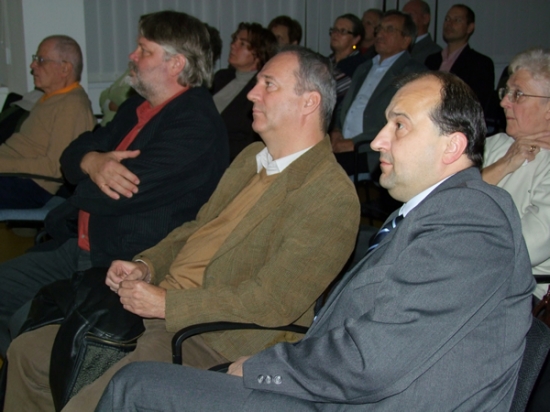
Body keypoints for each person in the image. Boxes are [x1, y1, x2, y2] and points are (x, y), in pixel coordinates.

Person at [97, 70, 535, 412]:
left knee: (136, 387)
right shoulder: (433, 214)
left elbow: (373, 361)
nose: (378, 140)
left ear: (451, 147)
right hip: (334, 395)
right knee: (147, 381)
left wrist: (265, 367)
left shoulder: (471, 218)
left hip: (354, 403)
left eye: (399, 126)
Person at [6, 46, 360, 412]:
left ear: (309, 102)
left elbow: (273, 302)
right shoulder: (250, 158)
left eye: (268, 85)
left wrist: (167, 304)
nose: (252, 94)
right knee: (28, 354)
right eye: (256, 83)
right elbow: (194, 229)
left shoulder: (329, 195)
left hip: (212, 335)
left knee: (94, 401)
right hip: (160, 303)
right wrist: (146, 266)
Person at [0, 10, 229, 358]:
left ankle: (40, 378)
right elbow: (72, 153)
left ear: (176, 64)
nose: (132, 56)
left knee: (26, 326)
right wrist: (92, 162)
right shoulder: (136, 106)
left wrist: (87, 169)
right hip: (81, 244)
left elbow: (115, 195)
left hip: (122, 260)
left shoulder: (195, 124)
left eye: (144, 50)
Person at [482, 48, 550, 299]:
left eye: (518, 94)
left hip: (521, 292)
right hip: (475, 272)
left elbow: (528, 247)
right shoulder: (494, 145)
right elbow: (443, 200)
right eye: (506, 92)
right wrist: (504, 164)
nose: (503, 102)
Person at [0, 35, 95, 208]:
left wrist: (3, 164)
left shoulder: (72, 105)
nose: (33, 65)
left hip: (29, 185)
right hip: (13, 176)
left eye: (41, 60)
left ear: (65, 68)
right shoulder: (50, 98)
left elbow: (56, 167)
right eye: (35, 59)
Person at [330, 10, 426, 175]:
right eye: (379, 29)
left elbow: (402, 121)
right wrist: (336, 131)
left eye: (389, 29)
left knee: (325, 173)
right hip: (344, 147)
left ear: (406, 40)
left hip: (373, 153)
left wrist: (355, 142)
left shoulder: (413, 73)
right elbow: (343, 106)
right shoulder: (364, 67)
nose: (380, 34)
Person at [212, 22, 277, 161]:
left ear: (258, 53)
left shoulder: (262, 90)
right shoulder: (221, 77)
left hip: (227, 159)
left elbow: (246, 140)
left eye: (242, 43)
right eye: (234, 40)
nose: (233, 45)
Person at [425, 4, 494, 111]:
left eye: (457, 20)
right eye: (447, 19)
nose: (449, 24)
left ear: (470, 28)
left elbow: (477, 104)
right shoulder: (431, 60)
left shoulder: (480, 64)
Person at [328, 14, 367, 104]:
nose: (336, 34)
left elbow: (328, 90)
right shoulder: (328, 61)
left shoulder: (358, 65)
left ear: (356, 39)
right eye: (334, 30)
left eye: (343, 31)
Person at [402, 0, 441, 64]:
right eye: (402, 17)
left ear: (425, 19)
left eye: (410, 16)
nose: (404, 21)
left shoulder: (435, 53)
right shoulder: (397, 46)